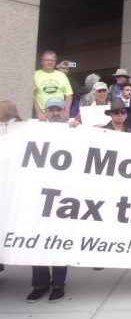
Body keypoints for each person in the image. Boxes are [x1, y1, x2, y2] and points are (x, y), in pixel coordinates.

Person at [27, 97, 78, 303]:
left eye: (59, 109)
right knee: (35, 241)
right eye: (52, 109)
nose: (56, 113)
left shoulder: (74, 130)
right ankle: (39, 284)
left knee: (58, 241)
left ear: (65, 111)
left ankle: (58, 285)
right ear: (45, 112)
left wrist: (77, 127)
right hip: (37, 196)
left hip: (63, 198)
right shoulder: (33, 130)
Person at [33, 51, 73, 122]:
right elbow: (33, 95)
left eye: (52, 60)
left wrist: (67, 111)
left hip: (59, 113)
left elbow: (68, 94)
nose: (50, 62)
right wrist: (38, 112)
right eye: (47, 60)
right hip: (43, 114)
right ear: (42, 61)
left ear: (55, 63)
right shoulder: (35, 75)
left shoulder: (62, 75)